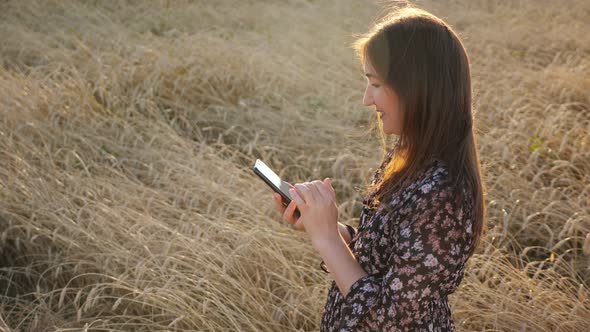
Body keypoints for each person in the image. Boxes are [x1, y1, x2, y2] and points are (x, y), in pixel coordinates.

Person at [271, 5, 486, 332]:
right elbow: (389, 254)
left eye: (376, 84)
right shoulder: (410, 156)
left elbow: (387, 320)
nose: (366, 99)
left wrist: (328, 240)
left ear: (417, 87)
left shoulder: (445, 194)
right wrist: (326, 227)